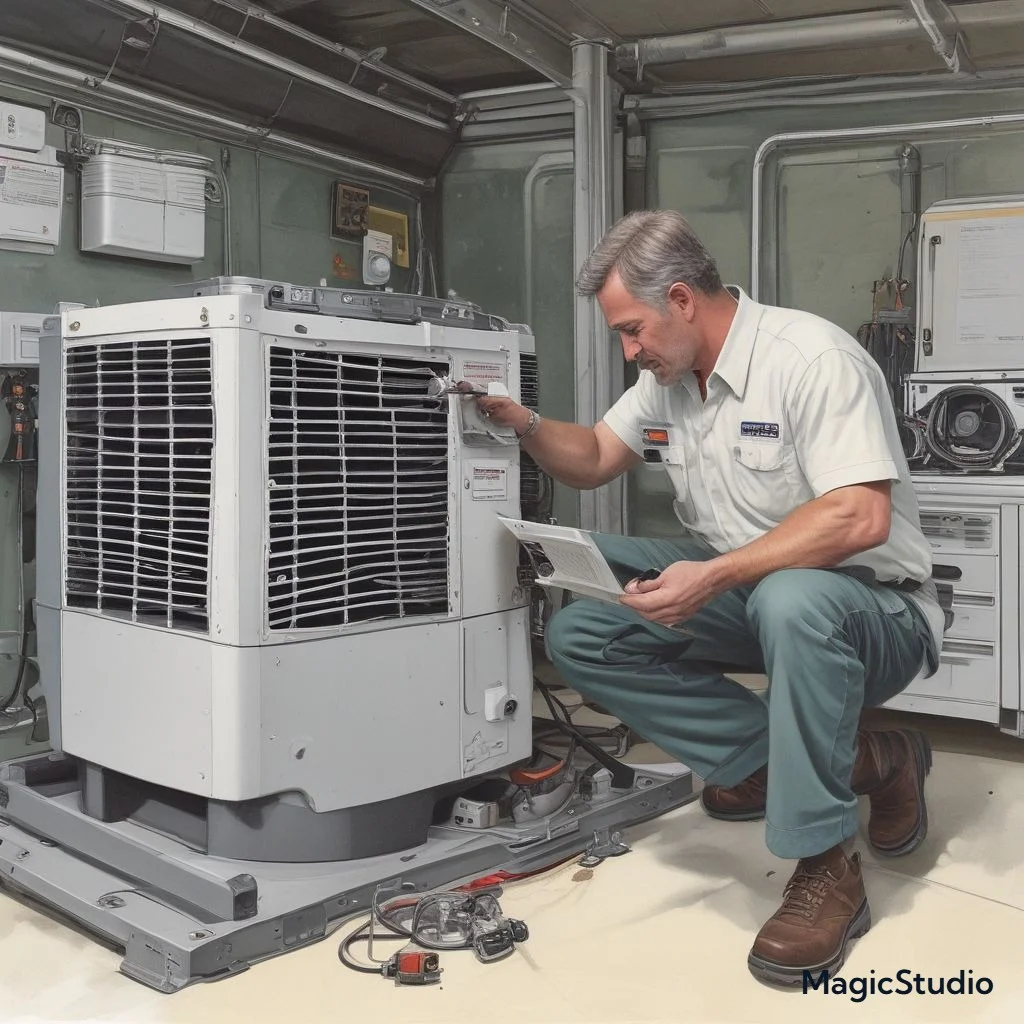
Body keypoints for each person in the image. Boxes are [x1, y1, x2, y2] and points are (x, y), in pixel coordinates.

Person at [471, 209, 944, 986]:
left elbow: (861, 515)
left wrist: (718, 575)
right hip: (759, 594)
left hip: (874, 610)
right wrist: (519, 420)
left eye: (632, 330)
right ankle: (866, 759)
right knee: (584, 622)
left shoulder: (811, 357)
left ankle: (825, 862)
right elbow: (591, 457)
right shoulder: (669, 381)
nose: (629, 349)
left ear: (683, 299)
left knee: (792, 600)